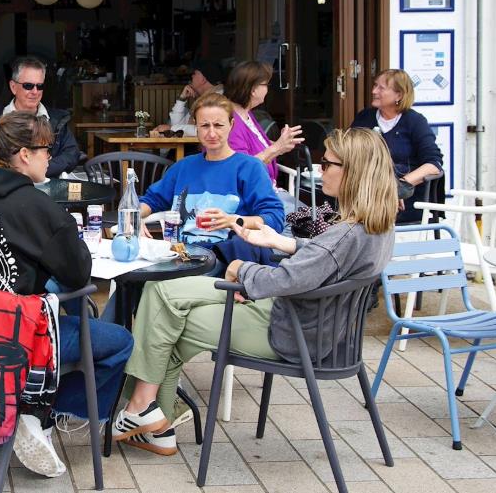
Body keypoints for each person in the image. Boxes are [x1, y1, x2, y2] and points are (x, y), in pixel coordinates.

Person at [112, 128, 397, 455]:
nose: (320, 170)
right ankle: (150, 417)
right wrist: (281, 241)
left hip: (289, 331)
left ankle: (141, 411)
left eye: (327, 163)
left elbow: (286, 279)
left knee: (164, 310)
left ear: (353, 172)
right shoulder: (376, 228)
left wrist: (240, 269)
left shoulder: (345, 236)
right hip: (317, 329)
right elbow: (325, 258)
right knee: (164, 300)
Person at [0, 111, 133, 478]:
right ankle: (35, 409)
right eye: (46, 148)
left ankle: (30, 408)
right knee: (120, 340)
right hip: (18, 338)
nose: (52, 156)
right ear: (24, 155)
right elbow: (78, 272)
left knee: (56, 293)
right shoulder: (37, 206)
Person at [138, 93, 286, 273]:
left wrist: (234, 220)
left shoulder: (249, 167)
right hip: (181, 255)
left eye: (218, 125)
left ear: (231, 125)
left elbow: (275, 218)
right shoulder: (183, 167)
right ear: (196, 128)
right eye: (205, 125)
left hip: (225, 261)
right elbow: (152, 200)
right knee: (130, 281)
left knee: (152, 285)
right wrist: (134, 218)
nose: (211, 133)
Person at [350, 69, 442, 222]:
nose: (374, 91)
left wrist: (398, 188)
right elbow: (348, 152)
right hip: (366, 196)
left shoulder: (414, 121)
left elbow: (433, 164)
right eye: (375, 86)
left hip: (405, 202)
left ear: (399, 95)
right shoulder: (364, 118)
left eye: (381, 88)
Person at [0, 56, 80, 178]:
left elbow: (71, 155)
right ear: (13, 87)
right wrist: (18, 172)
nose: (35, 91)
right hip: (6, 189)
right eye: (28, 86)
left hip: (49, 189)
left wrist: (39, 169)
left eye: (39, 86)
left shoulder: (58, 120)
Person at [221, 61, 303, 184]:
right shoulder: (231, 122)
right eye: (266, 84)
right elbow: (242, 168)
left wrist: (282, 144)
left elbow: (253, 146)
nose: (268, 89)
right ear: (253, 90)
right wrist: (277, 148)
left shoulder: (246, 114)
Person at [151, 59, 224, 136]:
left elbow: (204, 130)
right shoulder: (204, 99)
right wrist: (181, 99)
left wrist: (172, 128)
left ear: (203, 78)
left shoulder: (217, 100)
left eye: (194, 73)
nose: (192, 76)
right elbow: (176, 124)